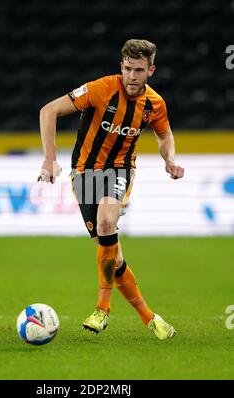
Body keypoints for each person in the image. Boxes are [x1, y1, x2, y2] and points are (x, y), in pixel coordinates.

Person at [38, 39, 184, 340]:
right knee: (112, 257)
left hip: (120, 170)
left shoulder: (154, 104)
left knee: (107, 220)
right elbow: (48, 111)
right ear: (122, 67)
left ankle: (102, 309)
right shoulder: (100, 89)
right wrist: (49, 160)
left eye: (139, 70)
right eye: (128, 69)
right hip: (84, 173)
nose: (132, 76)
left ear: (151, 70)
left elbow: (164, 134)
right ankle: (150, 318)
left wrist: (169, 158)